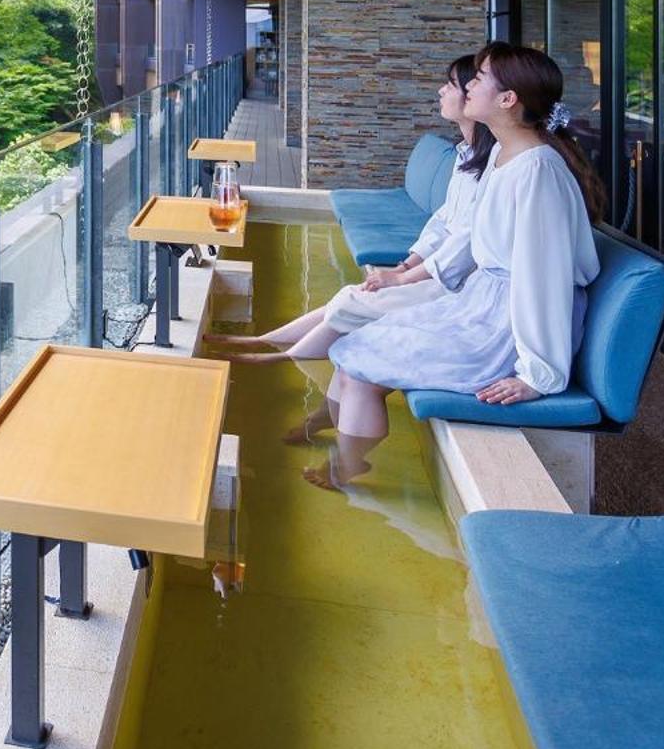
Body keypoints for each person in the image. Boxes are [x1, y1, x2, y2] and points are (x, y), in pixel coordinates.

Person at [307, 42, 604, 490]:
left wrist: (538, 374)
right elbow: (468, 239)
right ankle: (345, 460)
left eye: (480, 78)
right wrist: (408, 274)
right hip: (482, 306)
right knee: (356, 350)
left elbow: (542, 279)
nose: (469, 86)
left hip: (506, 327)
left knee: (361, 364)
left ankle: (346, 470)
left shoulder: (536, 171)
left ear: (508, 100)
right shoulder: (506, 159)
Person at [205, 55, 496, 444]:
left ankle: (278, 358)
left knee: (352, 310)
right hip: (437, 274)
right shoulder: (465, 156)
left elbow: (466, 243)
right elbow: (444, 222)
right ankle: (268, 345)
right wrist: (407, 262)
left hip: (456, 289)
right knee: (350, 298)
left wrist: (401, 276)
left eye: (454, 84)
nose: (443, 91)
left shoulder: (497, 168)